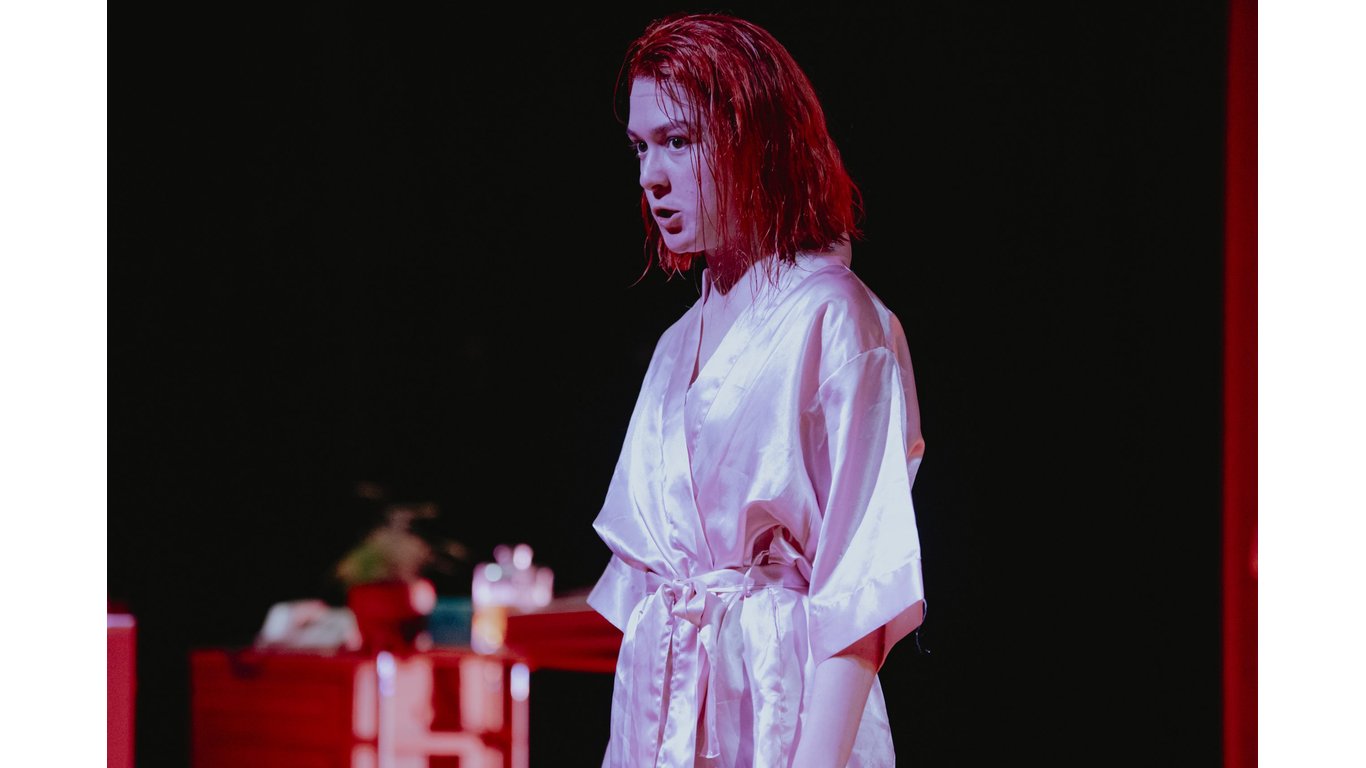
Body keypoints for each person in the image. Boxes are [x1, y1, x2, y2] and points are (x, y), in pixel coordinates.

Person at [587, 13, 927, 767]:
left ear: (755, 137)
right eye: (641, 147)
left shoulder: (834, 319)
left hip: (784, 718)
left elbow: (861, 593)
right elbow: (642, 595)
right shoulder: (674, 346)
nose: (650, 176)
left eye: (679, 140)